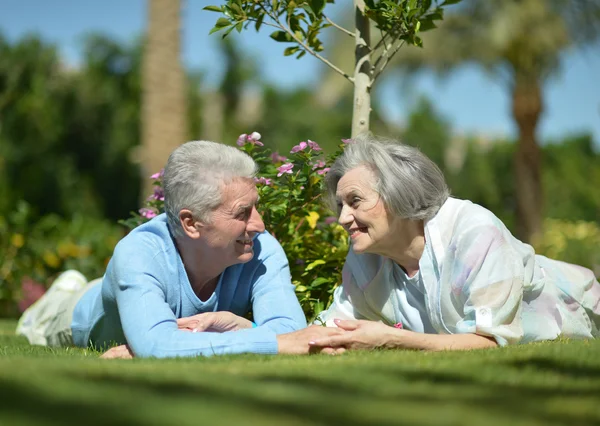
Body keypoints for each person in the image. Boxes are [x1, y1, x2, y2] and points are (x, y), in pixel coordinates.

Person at [16, 140, 343, 358]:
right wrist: (156, 344)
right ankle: (59, 293)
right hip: (78, 318)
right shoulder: (138, 253)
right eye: (242, 212)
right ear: (191, 223)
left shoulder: (262, 249)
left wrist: (235, 324)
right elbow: (158, 346)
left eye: (256, 208)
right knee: (42, 321)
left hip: (129, 293)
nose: (258, 224)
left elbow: (291, 330)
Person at [308, 135, 600, 352]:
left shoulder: (475, 233)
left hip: (581, 317)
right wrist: (267, 341)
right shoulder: (365, 256)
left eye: (355, 201)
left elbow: (490, 341)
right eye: (340, 205)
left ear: (398, 194)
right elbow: (329, 328)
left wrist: (392, 337)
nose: (344, 218)